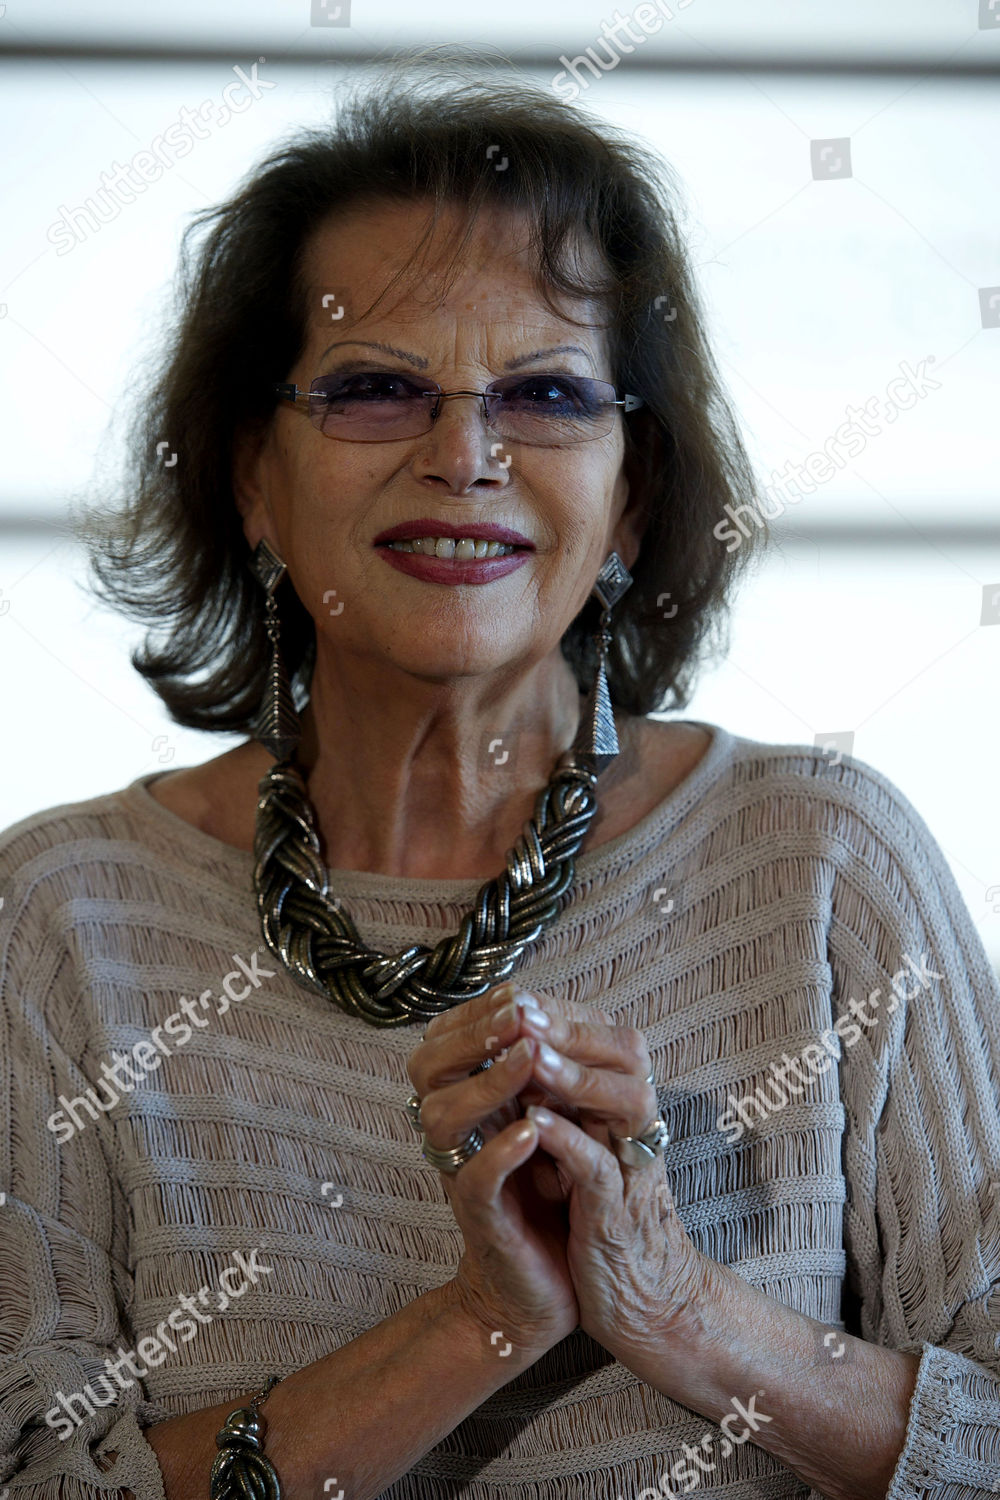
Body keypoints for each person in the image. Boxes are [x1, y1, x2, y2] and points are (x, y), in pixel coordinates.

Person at [1, 59, 999, 1500]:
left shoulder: (830, 865)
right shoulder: (59, 923)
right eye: (373, 391)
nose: (463, 455)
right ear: (252, 482)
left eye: (541, 393)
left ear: (634, 494)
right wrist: (477, 1319)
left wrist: (675, 1306)